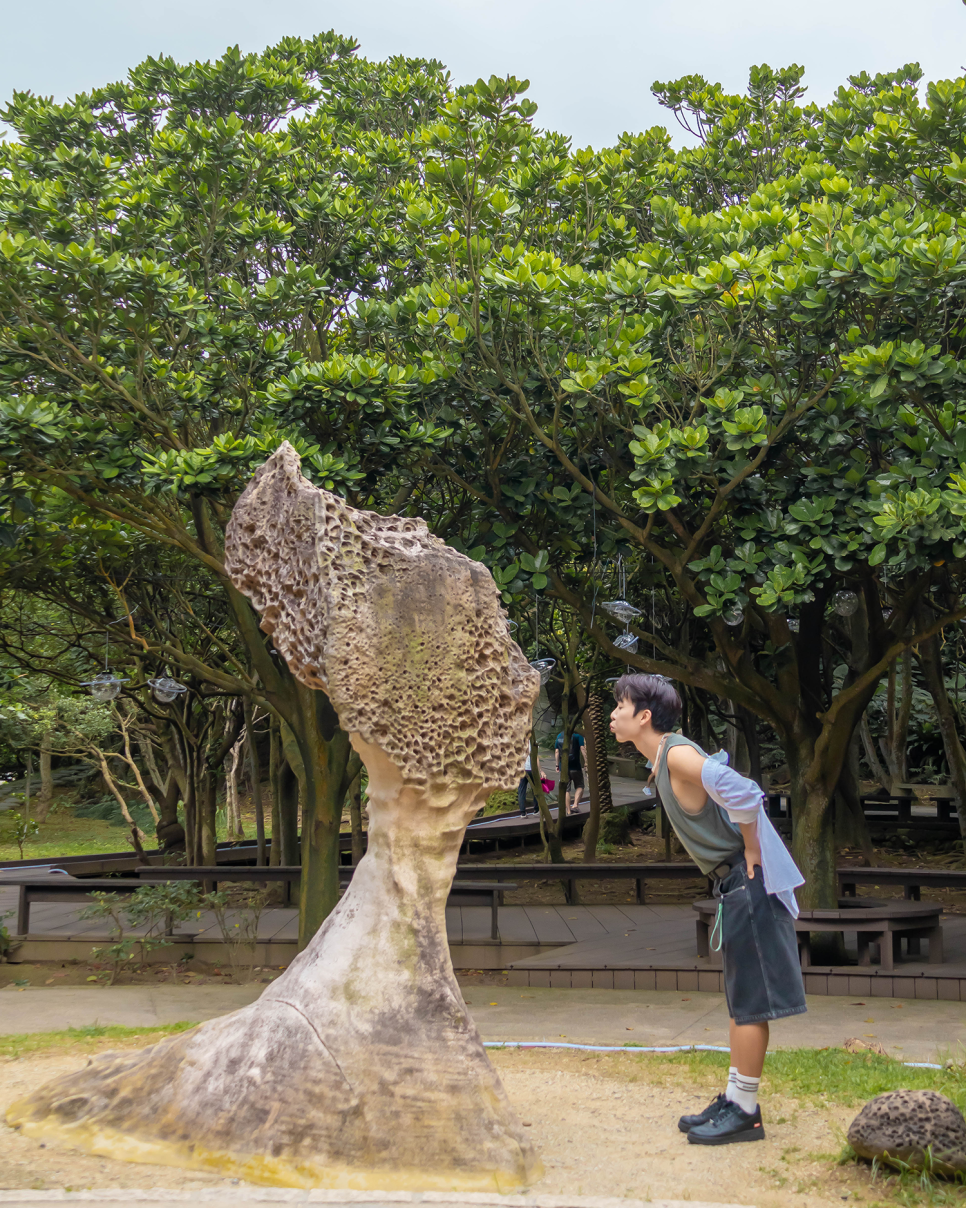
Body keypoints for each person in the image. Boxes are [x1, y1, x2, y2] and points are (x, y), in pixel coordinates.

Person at [610, 673, 805, 1146]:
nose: (614, 713)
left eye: (620, 705)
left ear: (644, 716)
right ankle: (736, 1100)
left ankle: (745, 1111)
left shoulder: (676, 753)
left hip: (747, 882)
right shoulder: (665, 758)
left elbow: (743, 791)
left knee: (750, 1004)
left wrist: (752, 850)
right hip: (735, 885)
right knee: (742, 1002)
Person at [554, 727, 587, 814]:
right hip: (575, 766)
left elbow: (557, 752)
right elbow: (582, 748)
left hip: (563, 767)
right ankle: (575, 805)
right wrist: (586, 761)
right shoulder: (577, 736)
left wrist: (557, 765)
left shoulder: (559, 736)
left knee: (566, 789)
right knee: (580, 786)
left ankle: (568, 811)